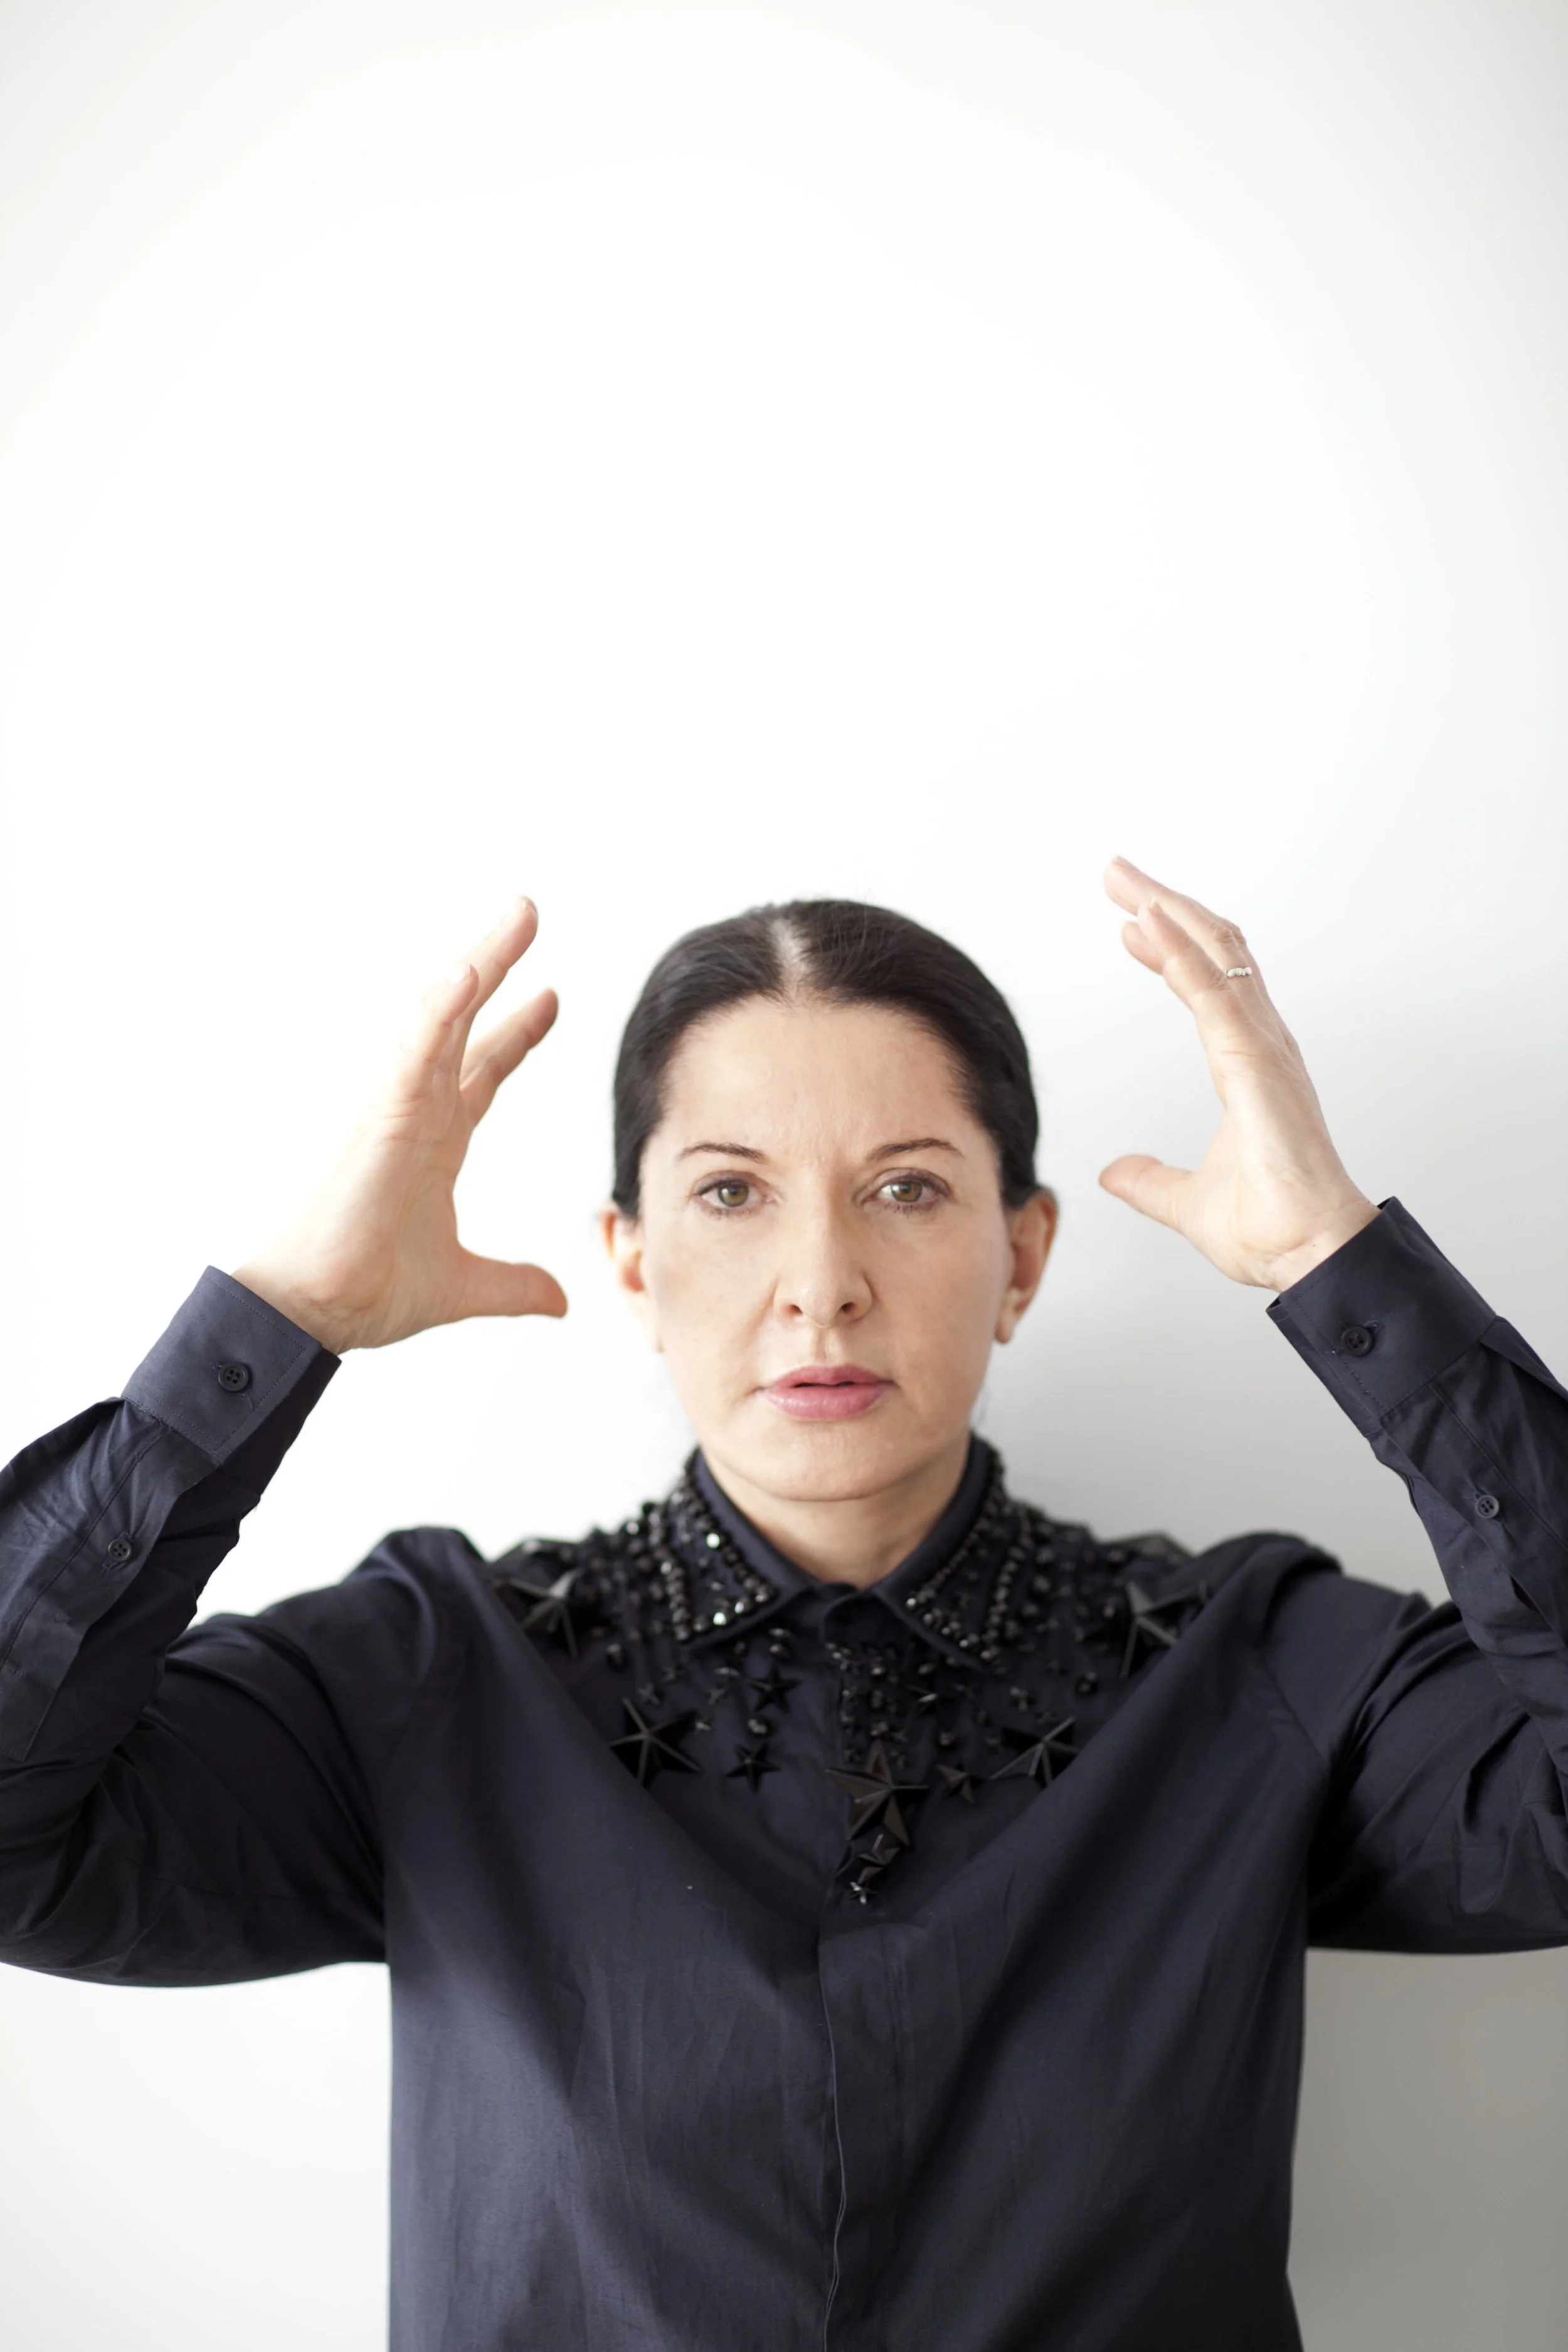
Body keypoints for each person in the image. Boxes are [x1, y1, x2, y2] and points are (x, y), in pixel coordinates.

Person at [1, 857, 1564, 2352]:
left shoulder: (1260, 1668)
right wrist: (278, 1322)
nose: (820, 1279)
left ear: (1019, 1256)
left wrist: (1340, 1269)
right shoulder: (425, 1674)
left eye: (903, 1186)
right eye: (732, 1192)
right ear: (628, 1258)